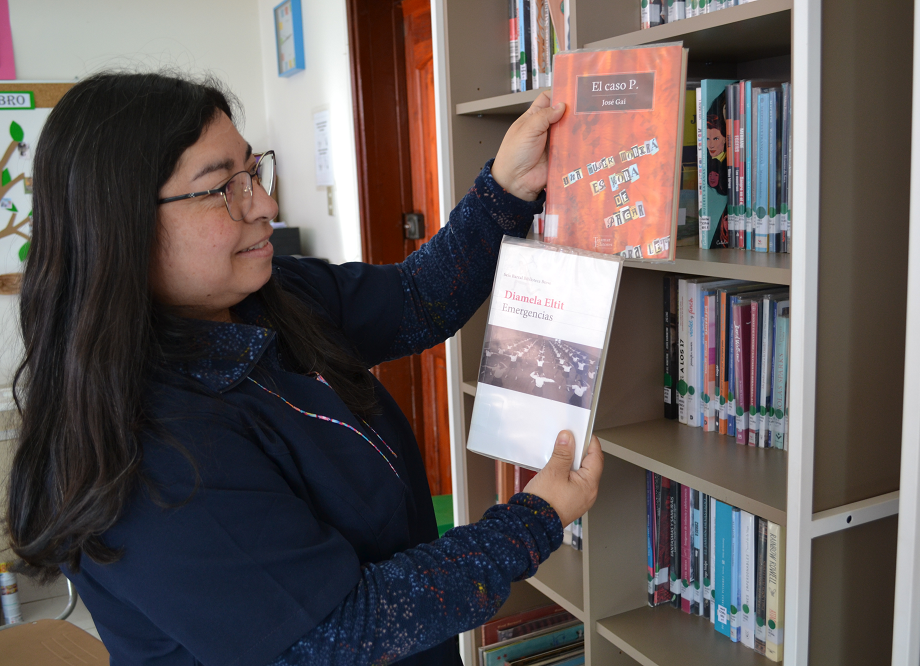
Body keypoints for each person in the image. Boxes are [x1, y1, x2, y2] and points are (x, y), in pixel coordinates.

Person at [5, 72, 604, 666]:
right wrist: (532, 521)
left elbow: (420, 299)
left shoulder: (268, 294)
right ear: (120, 226)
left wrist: (507, 187)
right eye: (221, 189)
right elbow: (338, 632)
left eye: (253, 172)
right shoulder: (146, 454)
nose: (265, 204)